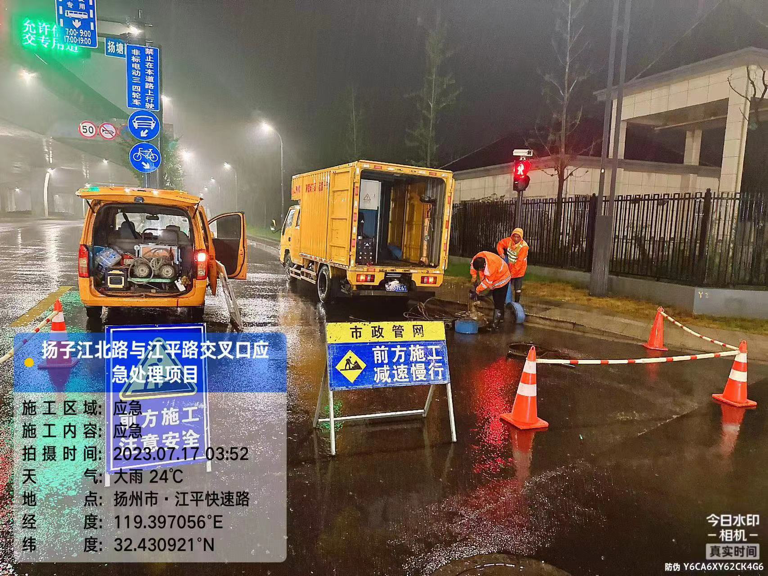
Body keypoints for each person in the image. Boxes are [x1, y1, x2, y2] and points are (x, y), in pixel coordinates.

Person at [469, 251, 511, 330]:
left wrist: (477, 290)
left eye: (480, 270)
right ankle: (500, 317)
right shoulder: (478, 257)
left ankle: (495, 324)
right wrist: (473, 276)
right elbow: (472, 266)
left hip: (502, 279)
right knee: (495, 298)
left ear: (484, 266)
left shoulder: (492, 267)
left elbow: (487, 282)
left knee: (498, 300)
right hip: (495, 276)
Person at [497, 227, 529, 305]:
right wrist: (501, 253)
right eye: (514, 236)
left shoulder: (524, 247)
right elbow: (500, 244)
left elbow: (519, 262)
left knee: (517, 287)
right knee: (506, 284)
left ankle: (516, 303)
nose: (516, 239)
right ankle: (505, 301)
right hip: (510, 266)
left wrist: (511, 274)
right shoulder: (509, 241)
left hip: (520, 269)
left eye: (518, 237)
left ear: (521, 237)